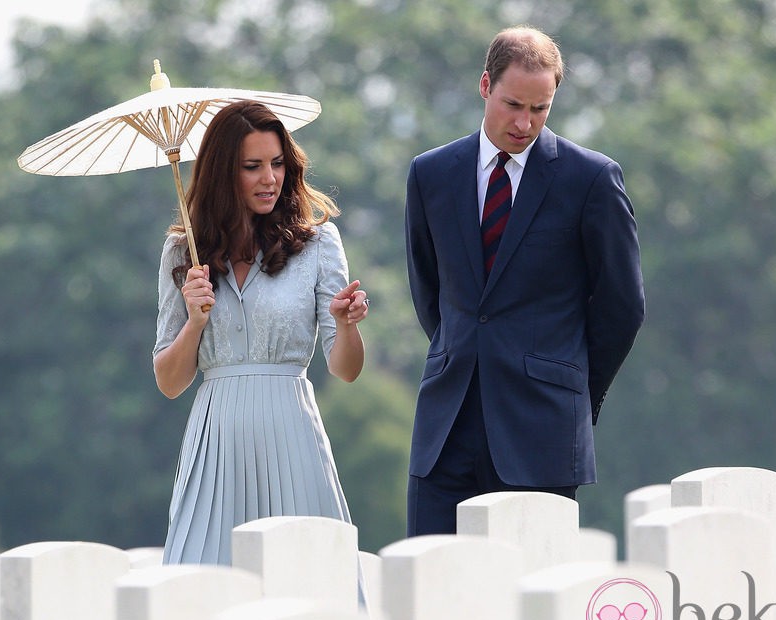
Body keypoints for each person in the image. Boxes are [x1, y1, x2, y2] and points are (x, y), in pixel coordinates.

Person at [404, 25, 645, 535]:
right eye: (514, 104)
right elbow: (431, 292)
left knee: (530, 603)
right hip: (445, 428)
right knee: (431, 595)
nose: (525, 123)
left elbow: (622, 307)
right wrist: (463, 353)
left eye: (540, 109)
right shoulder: (430, 174)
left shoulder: (592, 180)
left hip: (544, 429)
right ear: (485, 85)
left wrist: (574, 387)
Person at [153, 100, 369, 565]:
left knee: (310, 576)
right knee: (200, 580)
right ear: (222, 174)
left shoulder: (318, 244)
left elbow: (346, 370)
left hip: (292, 431)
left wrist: (347, 325)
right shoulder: (182, 252)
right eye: (253, 167)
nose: (270, 178)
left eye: (277, 164)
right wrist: (195, 321)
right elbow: (169, 383)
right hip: (217, 440)